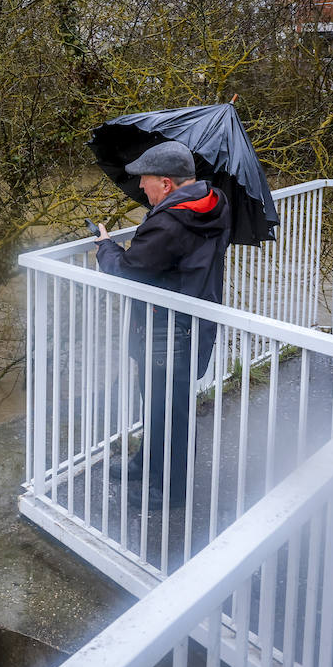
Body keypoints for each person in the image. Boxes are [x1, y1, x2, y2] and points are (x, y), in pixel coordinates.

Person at [94, 140, 232, 511]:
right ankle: (145, 463)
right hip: (187, 323)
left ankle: (171, 490)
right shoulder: (214, 202)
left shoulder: (171, 222)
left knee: (172, 411)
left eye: (146, 180)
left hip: (167, 330)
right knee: (156, 402)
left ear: (167, 183)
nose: (141, 187)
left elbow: (128, 270)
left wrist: (105, 246)